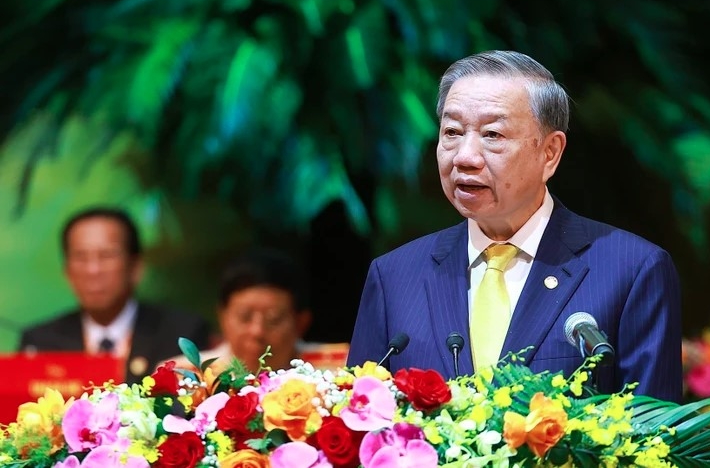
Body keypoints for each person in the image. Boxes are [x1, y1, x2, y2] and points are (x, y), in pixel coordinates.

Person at [347, 50, 682, 402]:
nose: (464, 156)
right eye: (452, 132)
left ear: (550, 152)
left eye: (492, 135)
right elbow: (361, 425)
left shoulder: (631, 270)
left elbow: (654, 438)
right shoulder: (394, 276)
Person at [18, 207, 211, 384]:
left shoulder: (181, 334)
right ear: (67, 272)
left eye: (107, 255)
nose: (93, 270)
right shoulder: (40, 343)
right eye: (80, 257)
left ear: (136, 267)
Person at [167, 248, 313, 374]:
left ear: (301, 322)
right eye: (245, 317)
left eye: (273, 320)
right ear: (222, 316)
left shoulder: (331, 373)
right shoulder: (183, 375)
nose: (257, 331)